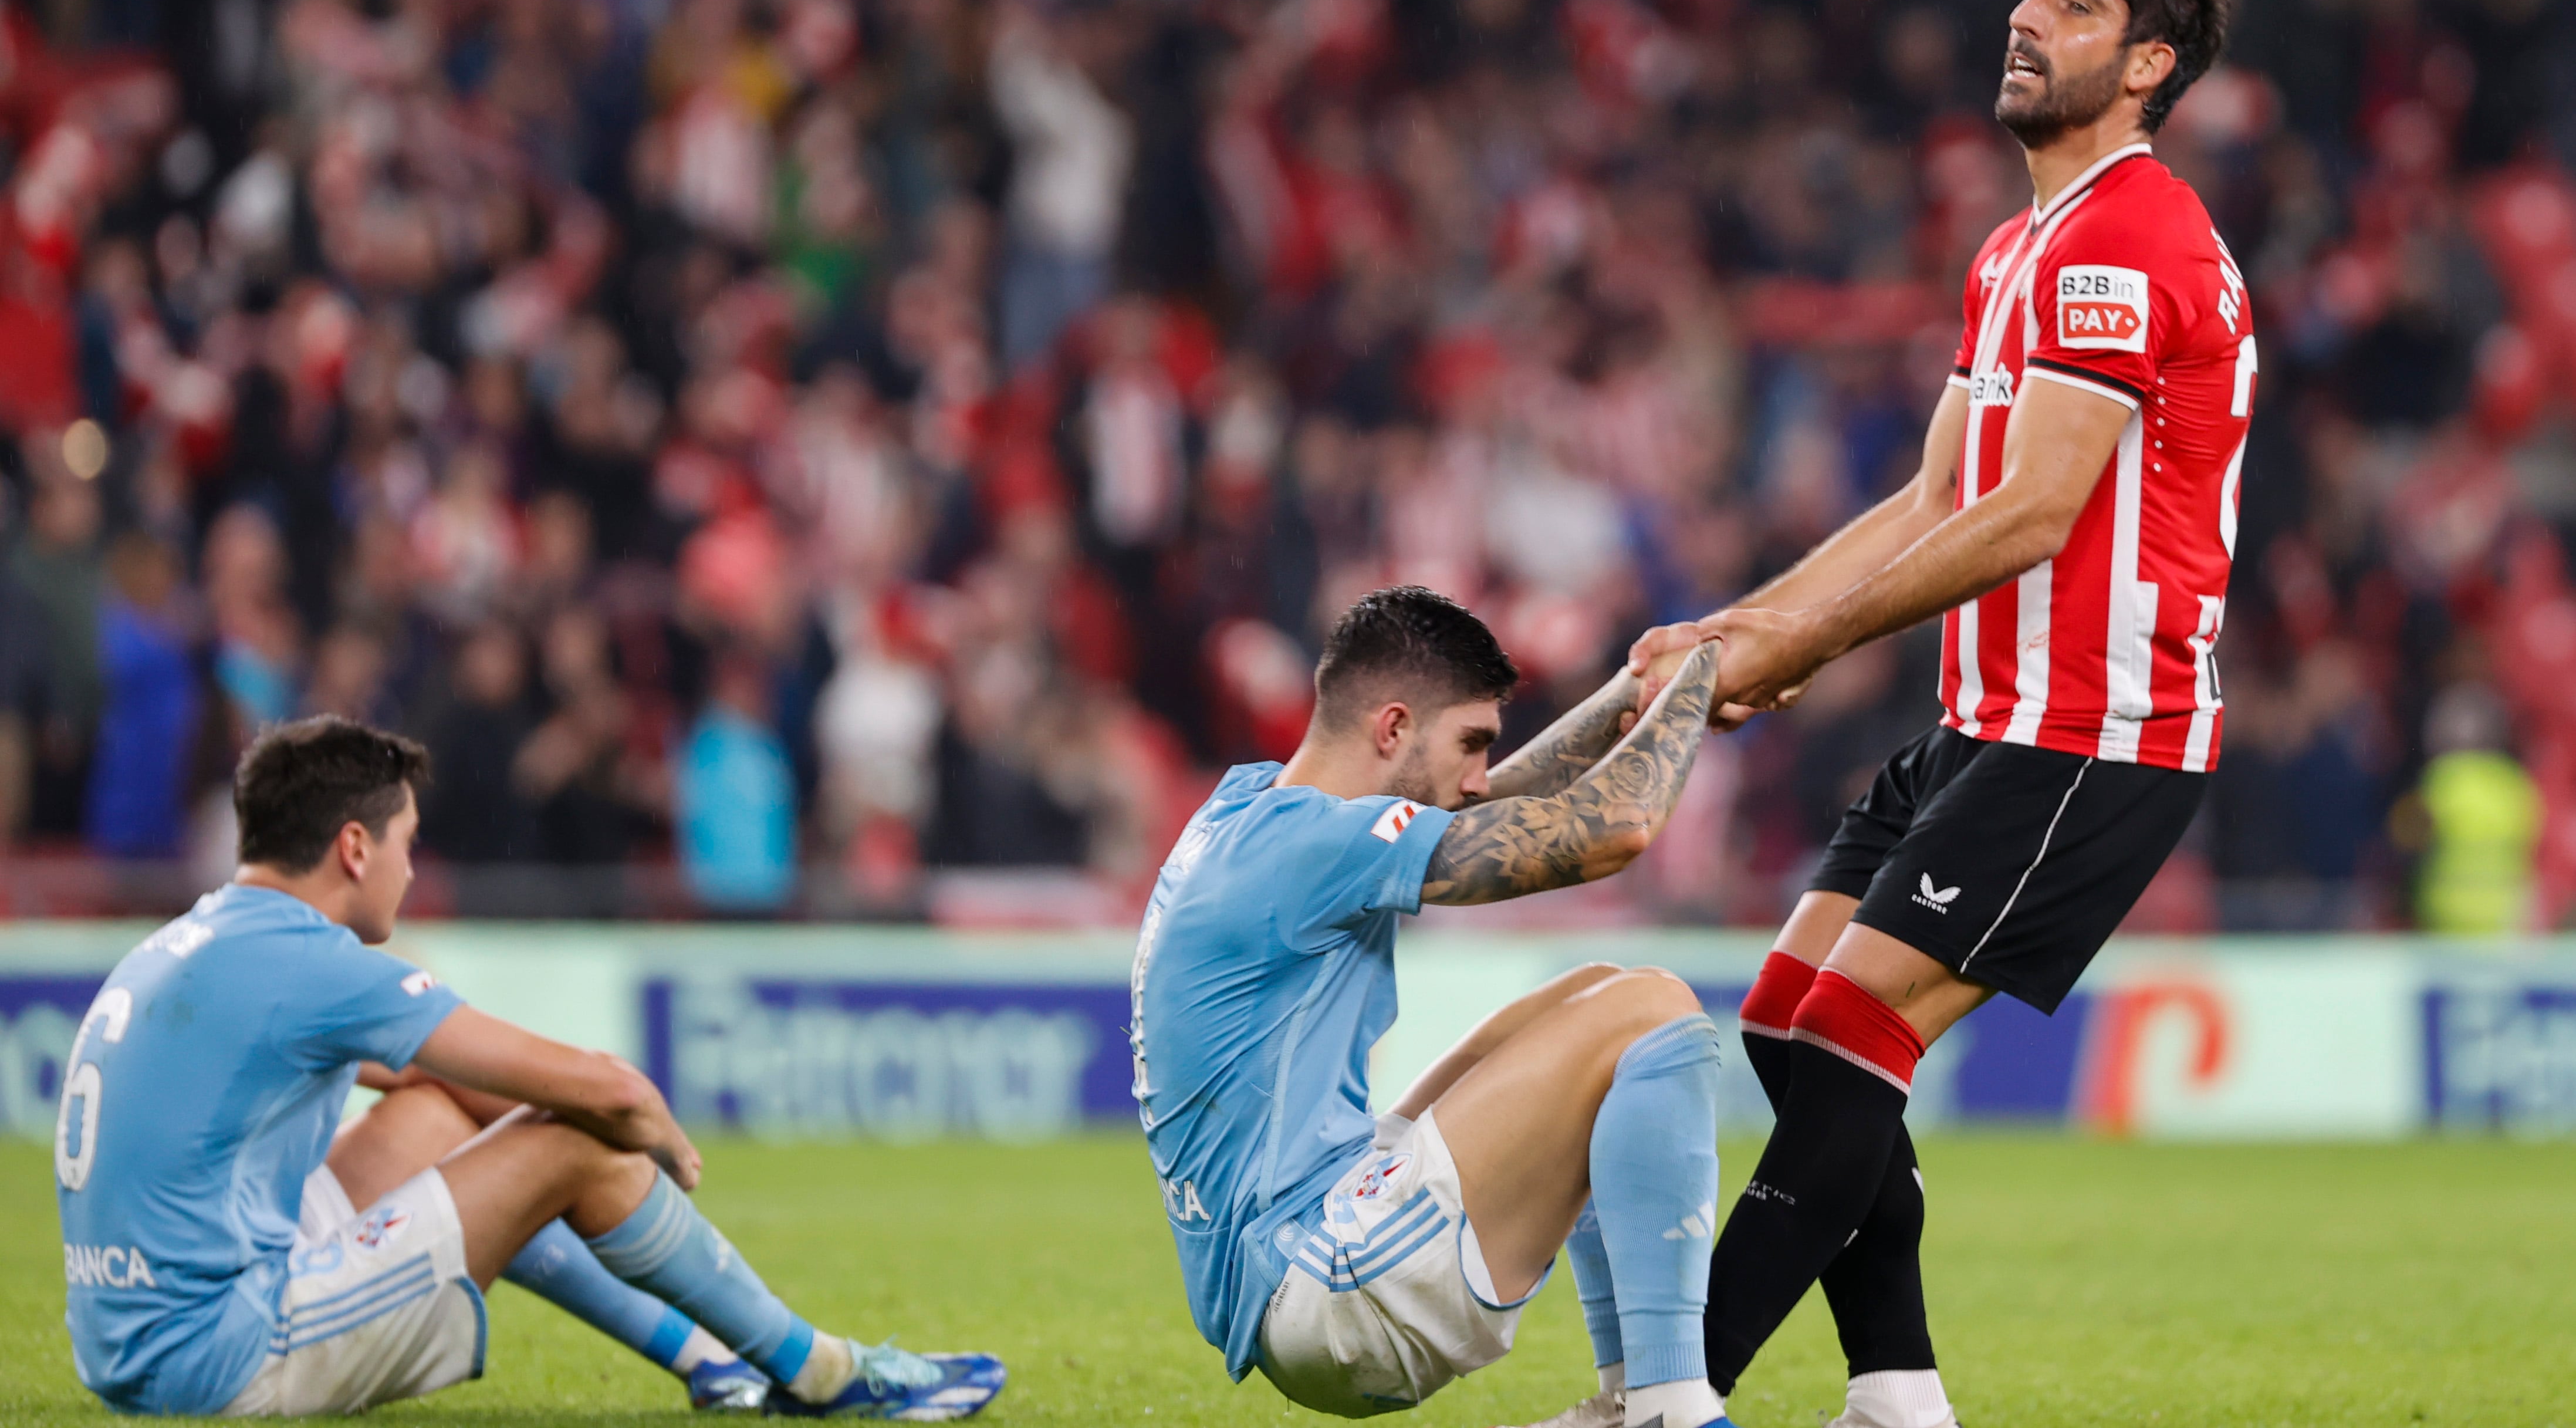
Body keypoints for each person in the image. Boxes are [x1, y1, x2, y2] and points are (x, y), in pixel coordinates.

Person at [1620, 0, 2245, 1428]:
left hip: (2094, 730)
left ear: (2145, 63)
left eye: (2075, 3)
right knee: (1785, 1018)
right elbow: (1928, 500)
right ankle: (1895, 1395)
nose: (2026, 16)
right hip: (1988, 723)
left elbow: (2030, 515)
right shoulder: (2013, 247)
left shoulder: (2130, 235)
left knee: (1848, 1030)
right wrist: (1737, 627)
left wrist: (1803, 645)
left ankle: (1668, 1397)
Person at [52, 714, 1005, 1419]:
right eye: (406, 845)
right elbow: (593, 1089)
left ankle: (712, 1362)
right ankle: (823, 1374)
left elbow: (438, 1085)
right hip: (218, 1361)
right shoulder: (314, 965)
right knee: (572, 1144)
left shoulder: (195, 939)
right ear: (353, 847)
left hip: (127, 1345)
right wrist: (641, 1122)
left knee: (435, 1118)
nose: (411, 871)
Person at [1131, 585, 1742, 1428]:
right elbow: (1616, 828)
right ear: (1391, 728)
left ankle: (1624, 1406)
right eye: (1471, 743)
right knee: (1649, 1008)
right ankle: (1672, 1406)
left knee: (1589, 997)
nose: (1480, 774)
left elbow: (1497, 805)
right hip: (1326, 1280)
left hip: (1284, 1271)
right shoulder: (1320, 844)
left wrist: (1629, 699)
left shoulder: (1252, 809)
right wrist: (1704, 671)